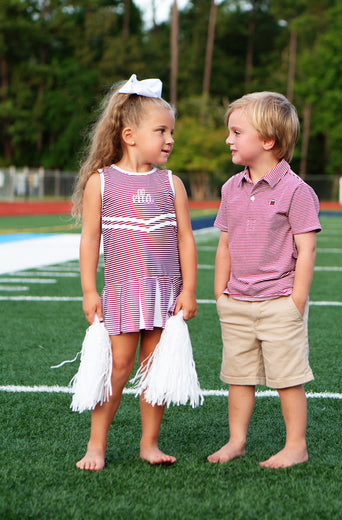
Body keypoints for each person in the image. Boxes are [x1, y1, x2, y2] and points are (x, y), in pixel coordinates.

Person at [71, 75, 197, 471]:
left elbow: (186, 240)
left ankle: (149, 443)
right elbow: (90, 240)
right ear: (129, 135)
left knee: (155, 370)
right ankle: (96, 445)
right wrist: (90, 290)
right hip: (123, 293)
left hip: (165, 293)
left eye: (171, 131)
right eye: (161, 131)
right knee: (118, 368)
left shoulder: (171, 183)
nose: (170, 139)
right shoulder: (102, 182)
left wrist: (189, 290)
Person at [207, 91, 321, 469]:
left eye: (237, 132)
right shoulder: (229, 189)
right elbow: (224, 244)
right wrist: (219, 292)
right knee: (238, 377)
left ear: (268, 141)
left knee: (288, 379)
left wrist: (296, 302)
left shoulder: (297, 191)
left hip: (279, 302)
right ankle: (237, 441)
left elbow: (307, 250)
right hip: (236, 300)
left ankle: (295, 446)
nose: (229, 139)